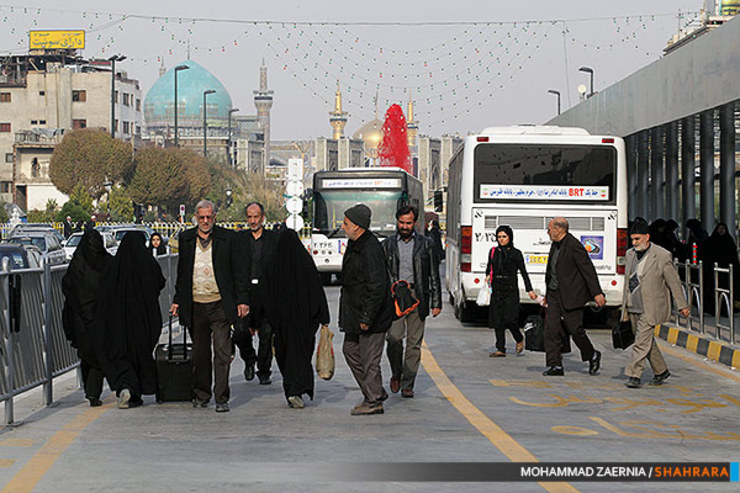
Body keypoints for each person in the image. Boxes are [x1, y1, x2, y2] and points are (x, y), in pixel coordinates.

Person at [170, 200, 249, 413]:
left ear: (214, 217)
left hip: (220, 304)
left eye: (209, 217)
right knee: (200, 353)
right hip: (196, 304)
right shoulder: (186, 239)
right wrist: (178, 299)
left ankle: (221, 397)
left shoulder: (227, 238)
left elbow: (239, 272)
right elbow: (182, 273)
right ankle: (201, 393)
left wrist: (242, 300)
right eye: (201, 217)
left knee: (222, 352)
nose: (205, 221)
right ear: (195, 217)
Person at [92, 232, 166, 409]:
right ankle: (137, 390)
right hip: (145, 320)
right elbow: (160, 282)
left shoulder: (115, 266)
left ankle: (126, 387)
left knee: (122, 354)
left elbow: (104, 292)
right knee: (140, 354)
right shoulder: (148, 263)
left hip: (119, 322)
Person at [263, 229, 330, 409]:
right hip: (304, 323)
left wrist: (270, 319)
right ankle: (298, 389)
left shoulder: (272, 265)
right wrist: (323, 317)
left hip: (282, 324)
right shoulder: (305, 263)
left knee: (286, 356)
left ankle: (291, 390)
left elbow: (266, 296)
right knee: (300, 357)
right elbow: (316, 291)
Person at [381, 205, 442, 398]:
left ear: (414, 223)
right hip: (396, 297)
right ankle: (396, 372)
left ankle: (408, 383)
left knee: (414, 343)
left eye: (408, 223)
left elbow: (433, 274)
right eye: (402, 222)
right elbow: (383, 273)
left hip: (418, 296)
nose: (405, 226)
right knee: (394, 338)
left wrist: (436, 302)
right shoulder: (388, 245)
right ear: (397, 221)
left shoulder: (426, 244)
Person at [339, 203, 394, 415]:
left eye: (346, 223)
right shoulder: (354, 244)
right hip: (354, 313)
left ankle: (373, 401)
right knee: (350, 350)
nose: (343, 227)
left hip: (371, 316)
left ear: (358, 226)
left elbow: (377, 286)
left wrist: (367, 316)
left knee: (370, 360)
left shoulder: (370, 248)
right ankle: (376, 391)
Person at [622, 218, 690, 388]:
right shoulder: (630, 254)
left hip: (651, 306)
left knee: (640, 342)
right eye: (632, 239)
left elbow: (673, 282)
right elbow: (626, 282)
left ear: (647, 237)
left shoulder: (661, 255)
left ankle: (634, 375)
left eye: (637, 239)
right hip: (633, 305)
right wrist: (623, 307)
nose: (634, 242)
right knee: (646, 341)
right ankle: (661, 371)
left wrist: (682, 305)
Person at [542, 217, 605, 376]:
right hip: (554, 294)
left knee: (575, 329)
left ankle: (592, 354)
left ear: (558, 229)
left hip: (571, 295)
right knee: (551, 329)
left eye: (549, 229)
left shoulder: (574, 246)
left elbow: (587, 269)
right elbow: (552, 270)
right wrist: (547, 294)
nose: (547, 232)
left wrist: (597, 293)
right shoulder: (555, 245)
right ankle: (555, 365)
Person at [61, 229, 112, 407]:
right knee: (98, 352)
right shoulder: (107, 262)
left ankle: (90, 391)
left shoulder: (77, 263)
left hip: (80, 317)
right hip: (100, 316)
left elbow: (67, 285)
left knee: (86, 353)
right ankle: (93, 392)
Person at [233, 202, 278, 385]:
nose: (253, 220)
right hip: (245, 294)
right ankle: (250, 359)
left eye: (256, 217)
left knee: (267, 334)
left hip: (267, 294)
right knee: (240, 332)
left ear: (263, 217)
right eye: (250, 217)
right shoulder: (240, 240)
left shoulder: (273, 239)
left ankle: (264, 370)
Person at [485, 225, 537, 357]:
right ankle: (500, 348)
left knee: (510, 319)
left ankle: (519, 338)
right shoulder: (493, 251)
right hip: (496, 288)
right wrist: (487, 277)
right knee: (497, 319)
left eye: (504, 237)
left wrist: (529, 289)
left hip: (510, 288)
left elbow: (523, 272)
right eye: (499, 237)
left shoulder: (516, 253)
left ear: (510, 237)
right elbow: (489, 267)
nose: (501, 239)